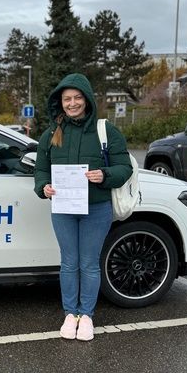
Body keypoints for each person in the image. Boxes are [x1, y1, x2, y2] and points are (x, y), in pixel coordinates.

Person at [34, 73, 132, 341]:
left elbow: (124, 167)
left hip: (96, 208)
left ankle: (86, 315)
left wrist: (105, 175)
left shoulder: (106, 131)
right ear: (60, 102)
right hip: (63, 208)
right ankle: (70, 314)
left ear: (87, 100)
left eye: (77, 98)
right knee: (69, 263)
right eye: (67, 99)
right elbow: (41, 170)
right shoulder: (51, 133)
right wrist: (44, 187)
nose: (72, 103)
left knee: (89, 264)